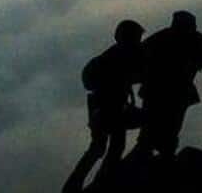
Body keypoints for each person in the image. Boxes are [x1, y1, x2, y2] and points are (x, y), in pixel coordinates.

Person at [130, 11, 202, 161]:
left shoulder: (159, 38)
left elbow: (137, 61)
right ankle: (162, 162)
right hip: (178, 94)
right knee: (169, 132)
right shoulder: (194, 40)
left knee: (149, 134)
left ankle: (141, 164)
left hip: (154, 92)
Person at [62, 19, 145, 193]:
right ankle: (102, 181)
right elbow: (132, 76)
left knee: (98, 147)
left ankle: (76, 185)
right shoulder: (121, 56)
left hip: (100, 107)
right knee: (113, 146)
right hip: (110, 107)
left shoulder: (113, 55)